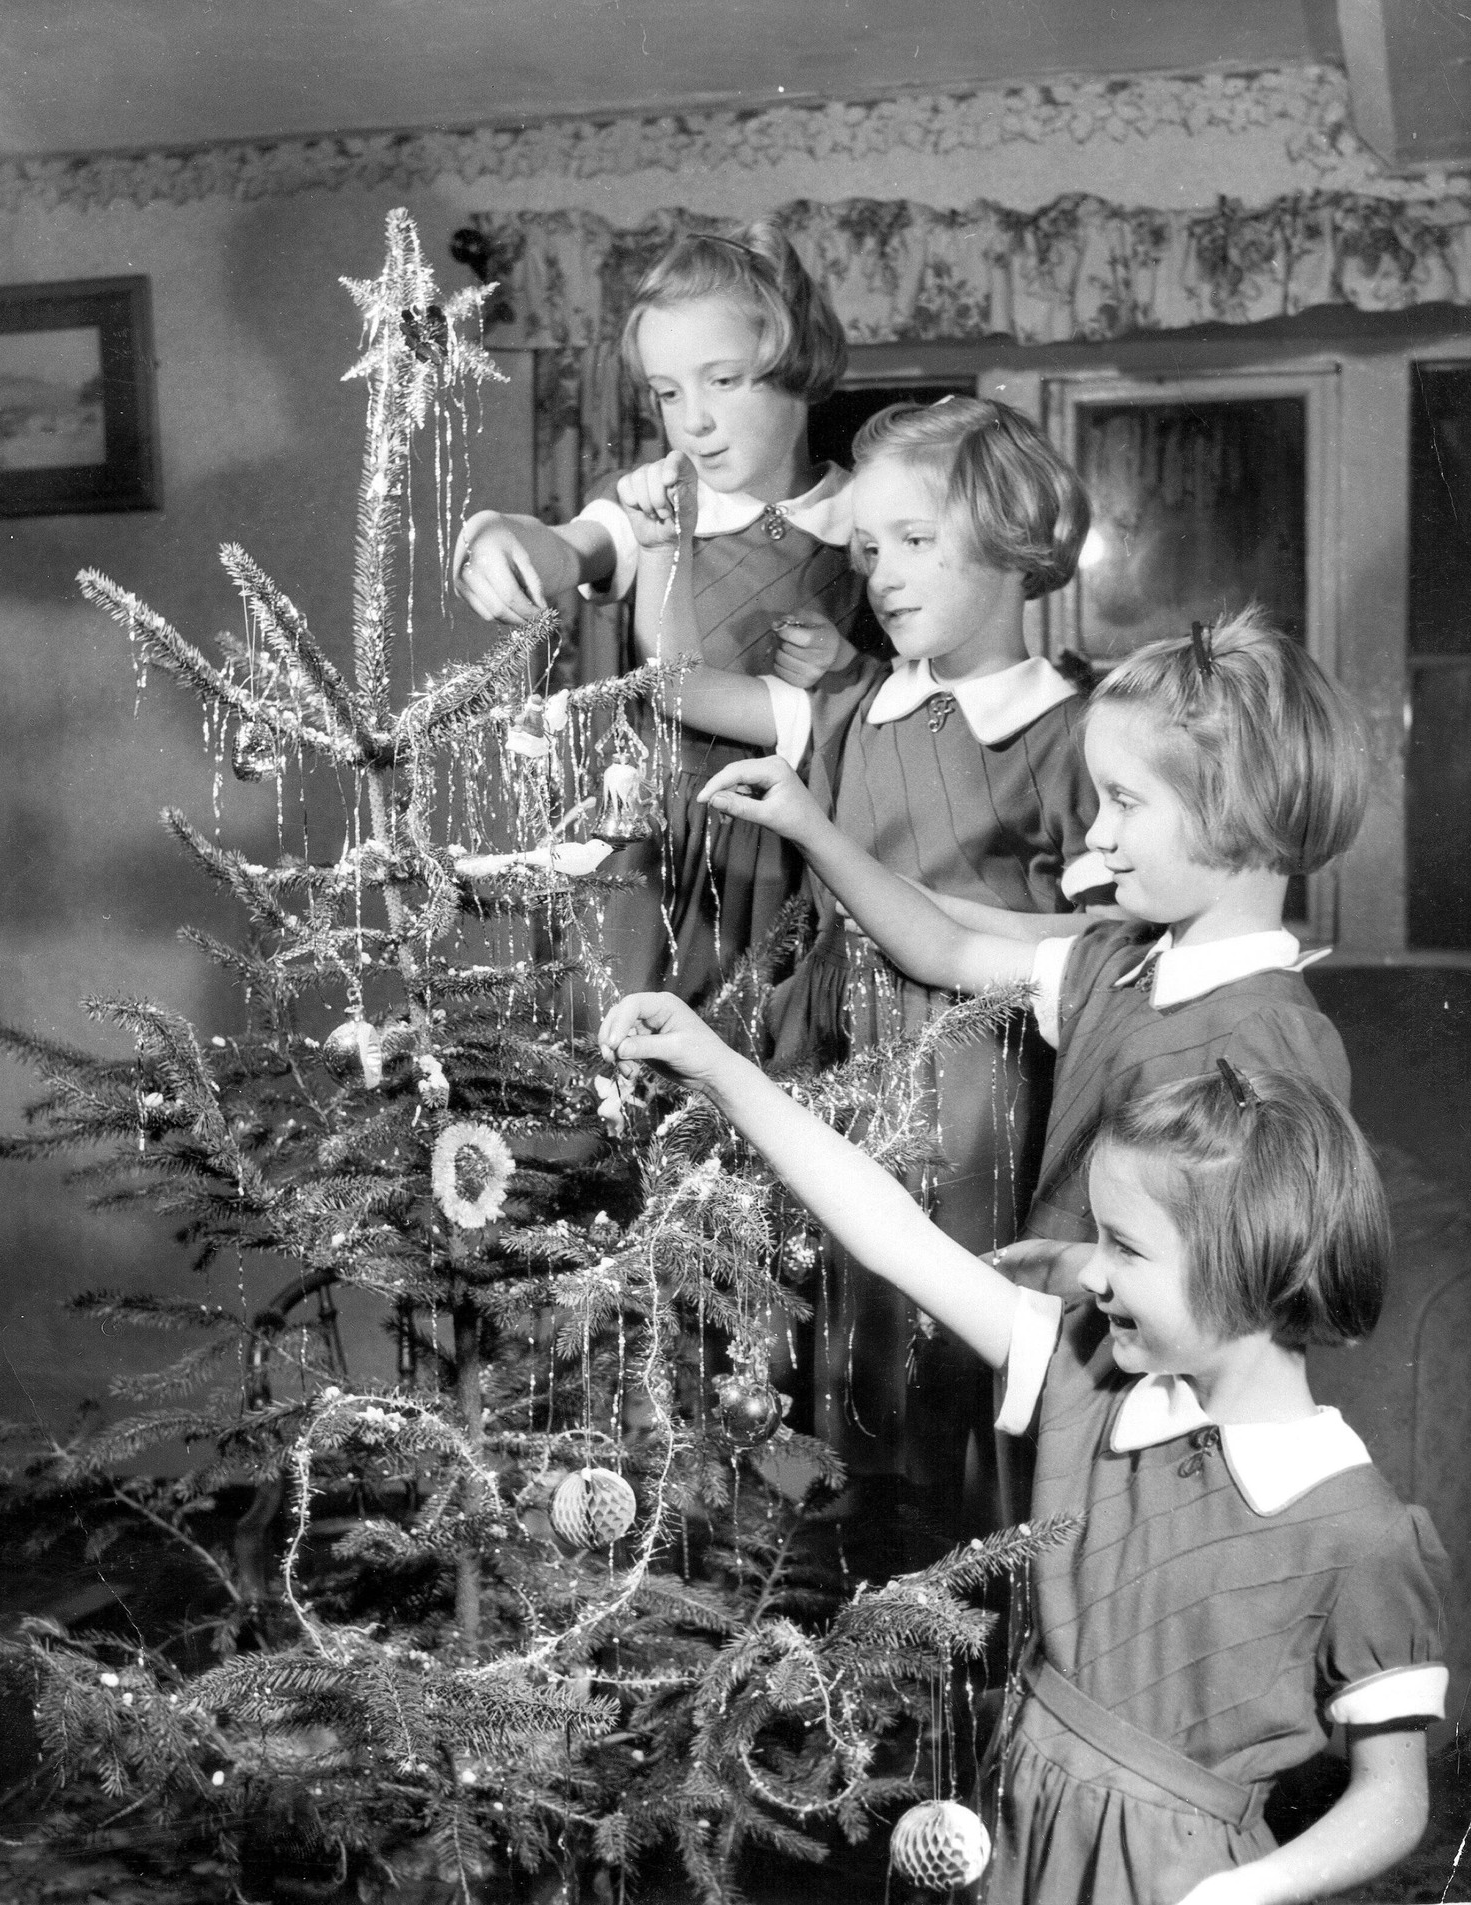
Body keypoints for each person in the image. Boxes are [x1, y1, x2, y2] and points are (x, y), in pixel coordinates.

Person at [597, 992, 1448, 1905]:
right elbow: (892, 1235)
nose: (1088, 1270)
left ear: (1247, 1267)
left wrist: (1244, 1892)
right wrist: (723, 1071)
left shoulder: (1357, 1530)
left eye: (1124, 1247)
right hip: (1016, 1829)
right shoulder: (1092, 1376)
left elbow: (1394, 1800)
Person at [629, 398, 1100, 1518]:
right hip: (836, 1065)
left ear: (1013, 537)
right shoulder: (851, 703)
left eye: (917, 541)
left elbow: (1111, 943)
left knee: (964, 1357)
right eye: (869, 545)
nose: (881, 573)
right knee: (842, 1352)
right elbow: (676, 686)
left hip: (987, 1100)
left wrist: (938, 923)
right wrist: (654, 546)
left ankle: (976, 1624)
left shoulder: (1070, 731)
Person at [697, 608, 1366, 1306]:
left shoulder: (1272, 1033)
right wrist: (807, 824)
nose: (1100, 836)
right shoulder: (1114, 967)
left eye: (1125, 803)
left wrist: (1084, 1268)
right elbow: (942, 944)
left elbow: (1262, 1281)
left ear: (1235, 807)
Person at [452, 217, 877, 1004]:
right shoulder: (657, 500)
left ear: (797, 363)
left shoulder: (866, 513)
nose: (694, 420)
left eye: (723, 380)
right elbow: (567, 548)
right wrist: (492, 536)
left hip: (801, 854)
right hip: (650, 858)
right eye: (668, 392)